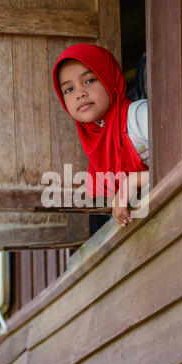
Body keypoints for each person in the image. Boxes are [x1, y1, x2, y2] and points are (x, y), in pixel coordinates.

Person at [52, 43, 149, 227]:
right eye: (69, 89)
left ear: (108, 77)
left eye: (89, 80)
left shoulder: (140, 117)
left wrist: (131, 183)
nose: (80, 93)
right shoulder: (97, 154)